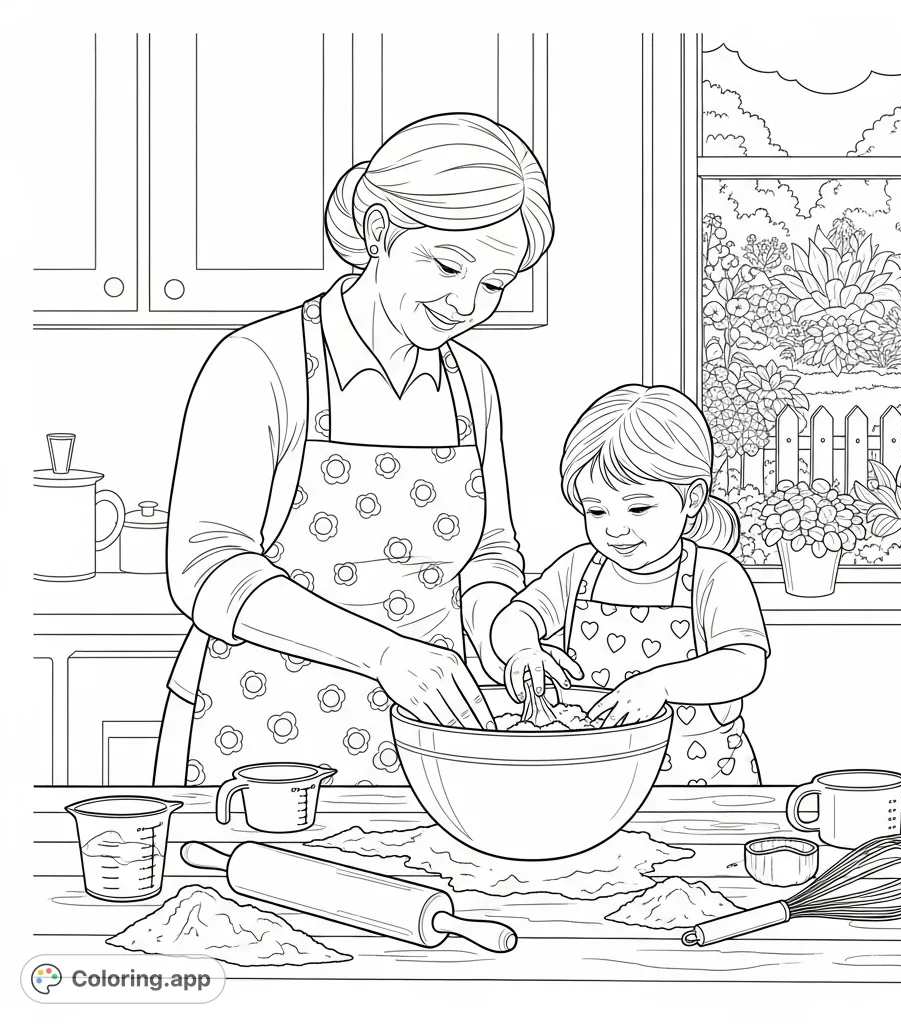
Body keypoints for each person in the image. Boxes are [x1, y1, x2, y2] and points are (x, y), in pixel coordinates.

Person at [154, 113, 553, 785]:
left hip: (426, 731)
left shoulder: (471, 384)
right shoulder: (260, 364)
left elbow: (489, 554)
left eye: (493, 283)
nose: (466, 303)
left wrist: (505, 636)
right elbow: (207, 568)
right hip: (261, 728)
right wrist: (385, 656)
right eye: (448, 265)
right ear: (379, 230)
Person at [490, 385, 769, 783]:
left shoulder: (715, 574)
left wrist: (662, 685)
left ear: (691, 499)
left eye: (637, 508)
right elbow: (516, 616)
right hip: (603, 776)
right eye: (596, 511)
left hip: (698, 777)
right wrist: (522, 649)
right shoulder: (578, 569)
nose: (615, 528)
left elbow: (745, 664)